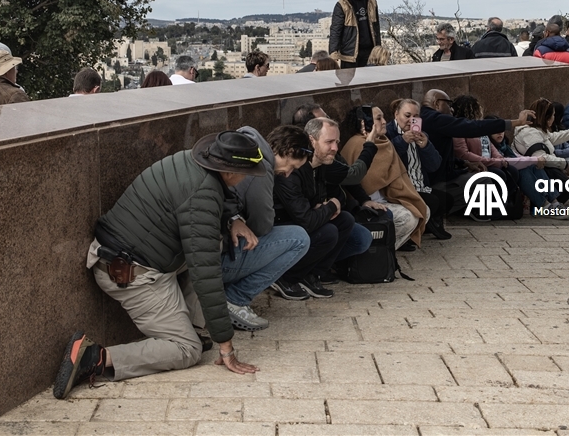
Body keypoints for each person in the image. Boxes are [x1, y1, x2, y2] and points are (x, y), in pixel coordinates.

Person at [52, 131, 267, 400]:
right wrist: (226, 345)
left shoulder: (191, 163)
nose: (246, 179)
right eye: (246, 173)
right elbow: (206, 274)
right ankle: (94, 357)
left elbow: (212, 204)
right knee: (188, 349)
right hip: (131, 273)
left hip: (132, 256)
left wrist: (232, 220)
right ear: (229, 171)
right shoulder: (202, 192)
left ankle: (190, 326)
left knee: (213, 243)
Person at [271, 118, 372, 299]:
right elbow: (307, 221)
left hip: (302, 218)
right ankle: (286, 277)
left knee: (346, 220)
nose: (335, 148)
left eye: (337, 142)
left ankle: (312, 274)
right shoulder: (290, 171)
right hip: (283, 225)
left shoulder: (323, 164)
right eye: (329, 142)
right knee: (328, 232)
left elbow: (350, 180)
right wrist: (331, 205)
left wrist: (329, 205)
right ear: (312, 141)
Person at [225, 125, 314, 316]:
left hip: (203, 251)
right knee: (299, 238)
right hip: (218, 258)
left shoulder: (244, 147)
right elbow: (262, 225)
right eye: (292, 167)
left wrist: (237, 218)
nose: (288, 174)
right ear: (288, 150)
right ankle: (235, 299)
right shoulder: (261, 168)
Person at [419, 89, 533, 216]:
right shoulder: (434, 119)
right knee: (485, 180)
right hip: (435, 182)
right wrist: (516, 122)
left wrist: (465, 163)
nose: (451, 109)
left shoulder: (426, 118)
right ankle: (475, 212)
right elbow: (473, 127)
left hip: (441, 176)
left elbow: (441, 155)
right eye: (449, 104)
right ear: (436, 103)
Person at [339, 106, 428, 250]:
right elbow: (357, 181)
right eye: (379, 118)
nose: (385, 121)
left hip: (387, 197)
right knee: (407, 219)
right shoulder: (356, 144)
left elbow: (396, 175)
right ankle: (379, 251)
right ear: (364, 123)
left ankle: (387, 249)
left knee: (424, 210)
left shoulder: (384, 142)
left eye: (384, 117)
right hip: (365, 203)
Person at [387, 99, 450, 240]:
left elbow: (434, 166)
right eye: (407, 115)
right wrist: (402, 141)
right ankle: (416, 230)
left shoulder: (421, 134)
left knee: (447, 199)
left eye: (415, 117)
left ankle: (426, 225)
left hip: (421, 185)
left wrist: (426, 146)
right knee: (433, 202)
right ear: (396, 114)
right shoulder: (389, 133)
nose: (411, 120)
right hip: (402, 189)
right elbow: (386, 161)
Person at [451, 95, 520, 218]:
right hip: (473, 166)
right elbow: (463, 154)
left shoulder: (479, 127)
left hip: (489, 162)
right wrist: (493, 161)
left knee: (512, 171)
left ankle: (501, 204)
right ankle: (482, 208)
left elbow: (491, 147)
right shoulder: (459, 130)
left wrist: (500, 159)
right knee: (498, 174)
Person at [513, 99, 569, 209]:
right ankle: (548, 205)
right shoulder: (530, 133)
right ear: (547, 118)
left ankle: (554, 203)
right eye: (553, 115)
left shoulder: (538, 130)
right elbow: (541, 157)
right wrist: (564, 164)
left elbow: (553, 137)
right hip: (533, 171)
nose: (554, 118)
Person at [329, 0, 380, 68]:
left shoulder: (372, 2)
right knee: (348, 77)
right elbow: (336, 29)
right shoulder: (342, 5)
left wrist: (378, 47)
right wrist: (333, 51)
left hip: (369, 51)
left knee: (369, 76)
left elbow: (376, 26)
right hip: (349, 53)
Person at [531, 22, 569, 88]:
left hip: (547, 90)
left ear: (547, 33)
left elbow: (536, 75)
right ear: (559, 33)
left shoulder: (540, 52)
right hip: (568, 90)